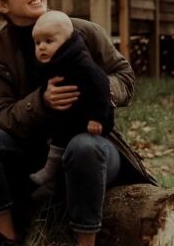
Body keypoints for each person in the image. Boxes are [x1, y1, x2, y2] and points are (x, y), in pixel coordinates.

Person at [0, 0, 153, 246]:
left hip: (92, 144)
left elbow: (124, 76)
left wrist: (98, 90)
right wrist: (41, 103)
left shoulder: (83, 31)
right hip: (30, 156)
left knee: (85, 147)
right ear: (2, 5)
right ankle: (6, 238)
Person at [26, 10, 114, 189]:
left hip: (88, 120)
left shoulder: (81, 63)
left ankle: (55, 179)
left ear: (67, 41)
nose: (41, 47)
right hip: (64, 118)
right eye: (37, 43)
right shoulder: (50, 63)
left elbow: (102, 88)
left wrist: (97, 117)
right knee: (59, 139)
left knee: (78, 146)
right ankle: (51, 178)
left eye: (48, 41)